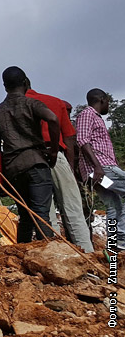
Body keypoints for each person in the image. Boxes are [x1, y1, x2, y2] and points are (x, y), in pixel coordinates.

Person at [0, 66, 59, 242]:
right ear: (26, 83)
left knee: (25, 215)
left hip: (14, 169)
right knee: (41, 214)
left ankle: (22, 252)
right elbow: (53, 118)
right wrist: (54, 151)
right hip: (36, 162)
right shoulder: (31, 104)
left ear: (5, 87)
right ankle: (48, 251)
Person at [26, 85, 94, 252]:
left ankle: (56, 254)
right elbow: (69, 137)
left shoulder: (12, 106)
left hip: (29, 159)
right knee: (72, 208)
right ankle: (87, 253)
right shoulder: (54, 102)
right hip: (55, 155)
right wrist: (69, 166)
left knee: (45, 212)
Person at [76, 88, 125, 251]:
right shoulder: (87, 114)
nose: (108, 106)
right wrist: (97, 167)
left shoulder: (94, 117)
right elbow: (82, 140)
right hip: (102, 169)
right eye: (108, 102)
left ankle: (113, 245)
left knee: (113, 205)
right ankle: (122, 238)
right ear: (102, 100)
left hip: (100, 173)